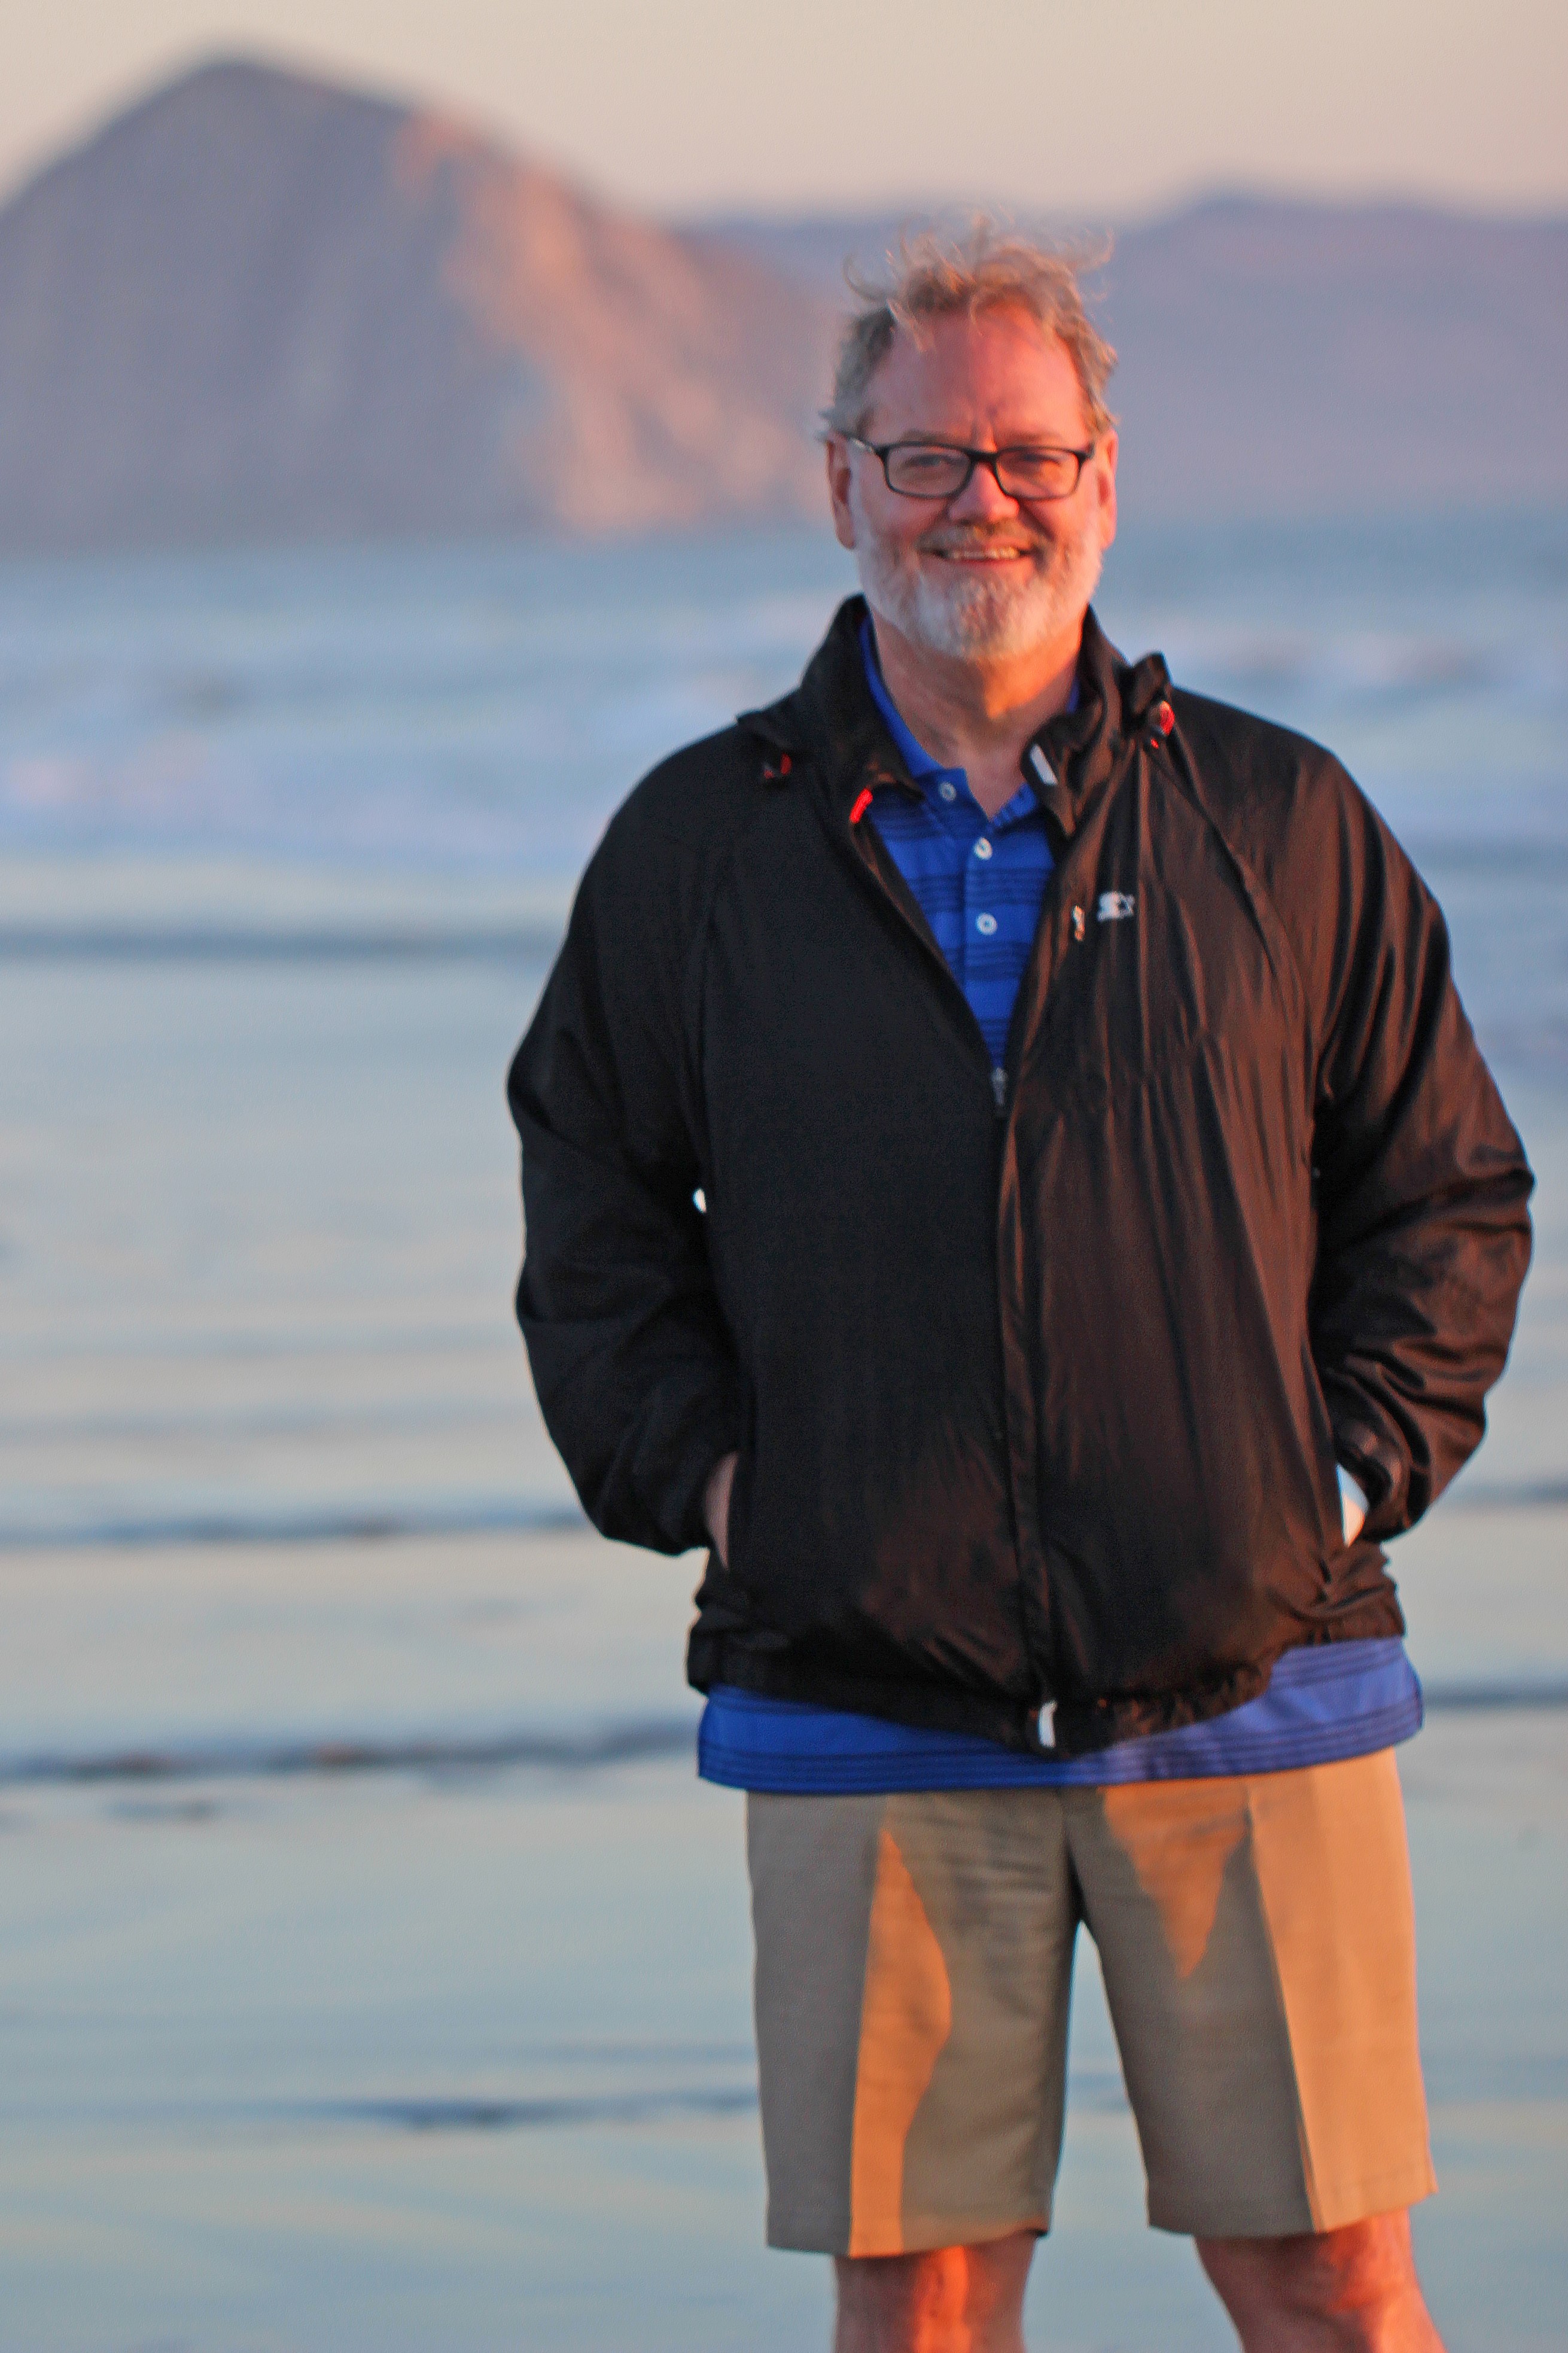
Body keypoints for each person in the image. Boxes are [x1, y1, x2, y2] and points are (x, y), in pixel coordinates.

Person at [507, 228, 1533, 2352]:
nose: (982, 502)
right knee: (926, 2307)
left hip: (1256, 1682)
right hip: (864, 1696)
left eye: (1029, 456)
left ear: (1105, 478)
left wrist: (1333, 1490)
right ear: (841, 484)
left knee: (1334, 2285)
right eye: (927, 457)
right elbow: (591, 1209)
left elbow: (1447, 1192)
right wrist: (727, 1496)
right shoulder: (702, 848)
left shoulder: (1275, 820)